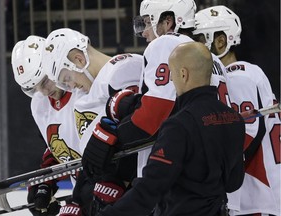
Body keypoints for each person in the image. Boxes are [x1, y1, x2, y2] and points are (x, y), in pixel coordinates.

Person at [82, 0, 231, 184]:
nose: (144, 32)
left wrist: (109, 139)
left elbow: (153, 116)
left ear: (168, 21)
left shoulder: (167, 44)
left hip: (179, 179)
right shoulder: (214, 61)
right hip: (215, 177)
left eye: (147, 22)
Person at [95, 41, 245, 216]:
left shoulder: (179, 125)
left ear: (183, 74)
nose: (171, 79)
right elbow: (233, 182)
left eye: (171, 73)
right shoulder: (235, 119)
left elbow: (150, 188)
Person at [41, 28, 143, 215]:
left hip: (140, 187)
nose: (70, 87)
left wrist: (115, 181)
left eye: (67, 78)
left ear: (79, 60)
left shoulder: (122, 70)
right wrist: (79, 198)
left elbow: (143, 128)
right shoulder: (83, 96)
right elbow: (92, 157)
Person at [193, 5, 281, 216]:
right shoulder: (236, 76)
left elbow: (244, 137)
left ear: (221, 41)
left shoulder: (239, 75)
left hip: (258, 198)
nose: (195, 47)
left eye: (199, 39)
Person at [11, 35, 87, 215]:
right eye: (33, 88)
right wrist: (45, 183)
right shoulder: (39, 103)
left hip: (116, 189)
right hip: (84, 192)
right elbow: (58, 148)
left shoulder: (84, 89)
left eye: (45, 81)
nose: (43, 92)